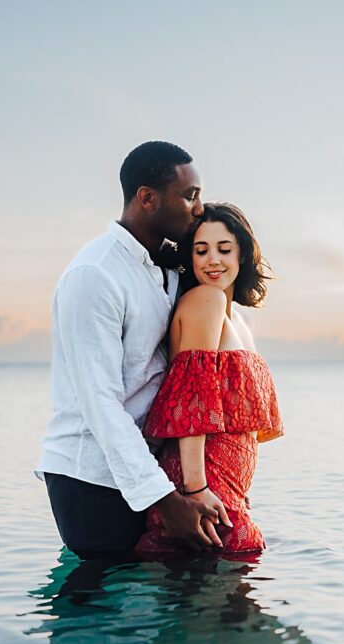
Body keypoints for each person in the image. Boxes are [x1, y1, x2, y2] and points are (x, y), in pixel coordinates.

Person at [36, 141, 226, 559]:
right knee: (103, 613)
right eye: (190, 195)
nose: (199, 208)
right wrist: (164, 500)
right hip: (92, 479)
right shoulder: (95, 274)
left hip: (148, 467)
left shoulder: (171, 268)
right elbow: (100, 403)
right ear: (147, 198)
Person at [136, 203, 283, 556]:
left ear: (243, 254)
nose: (212, 260)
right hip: (202, 482)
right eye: (201, 251)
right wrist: (196, 487)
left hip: (225, 486)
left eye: (224, 249)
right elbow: (192, 400)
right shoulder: (206, 300)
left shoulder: (239, 319)